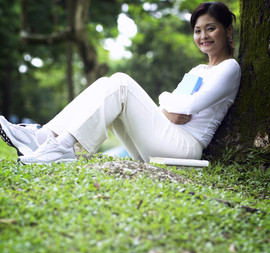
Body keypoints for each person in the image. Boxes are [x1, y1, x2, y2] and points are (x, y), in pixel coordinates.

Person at [0, 1, 241, 165]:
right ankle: (44, 137)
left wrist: (166, 99)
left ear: (227, 30)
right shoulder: (197, 70)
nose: (203, 37)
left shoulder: (230, 68)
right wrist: (170, 107)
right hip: (162, 140)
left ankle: (61, 146)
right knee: (108, 84)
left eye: (211, 29)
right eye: (197, 31)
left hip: (185, 147)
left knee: (121, 83)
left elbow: (187, 106)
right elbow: (169, 110)